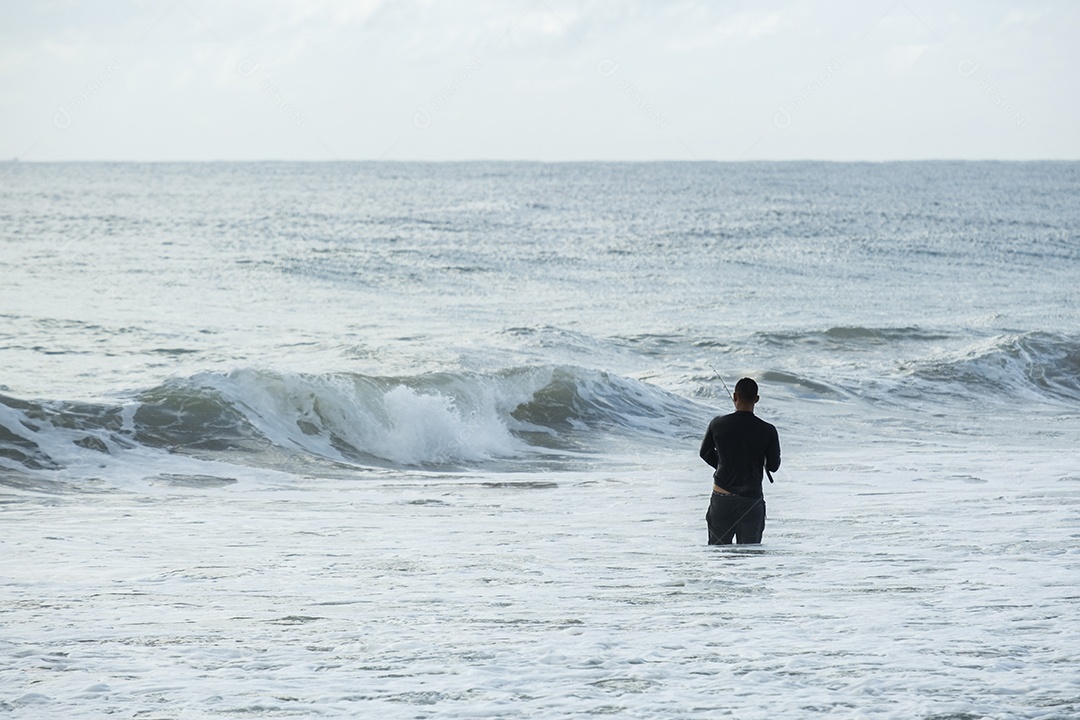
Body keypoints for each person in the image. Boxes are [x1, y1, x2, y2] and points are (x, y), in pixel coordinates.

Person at [699, 377, 781, 545]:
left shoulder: (717, 424)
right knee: (749, 558)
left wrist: (723, 465)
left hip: (722, 497)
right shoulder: (768, 430)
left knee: (719, 556)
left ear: (735, 397)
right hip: (751, 500)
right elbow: (773, 466)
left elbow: (704, 453)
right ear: (756, 399)